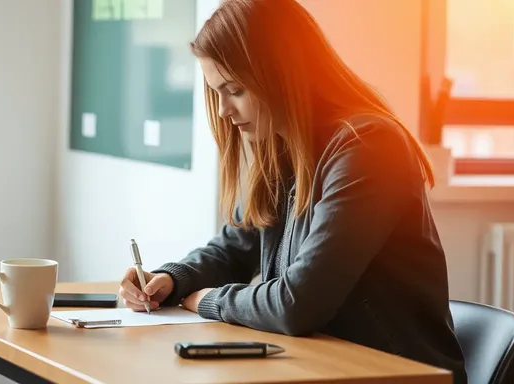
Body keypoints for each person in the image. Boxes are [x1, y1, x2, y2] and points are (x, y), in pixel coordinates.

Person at [117, 0, 467, 382]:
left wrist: (208, 301)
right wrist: (173, 279)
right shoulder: (284, 146)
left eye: (234, 90)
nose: (222, 112)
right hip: (319, 366)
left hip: (393, 373)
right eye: (217, 92)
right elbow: (236, 246)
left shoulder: (367, 147)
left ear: (283, 74)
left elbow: (297, 303)